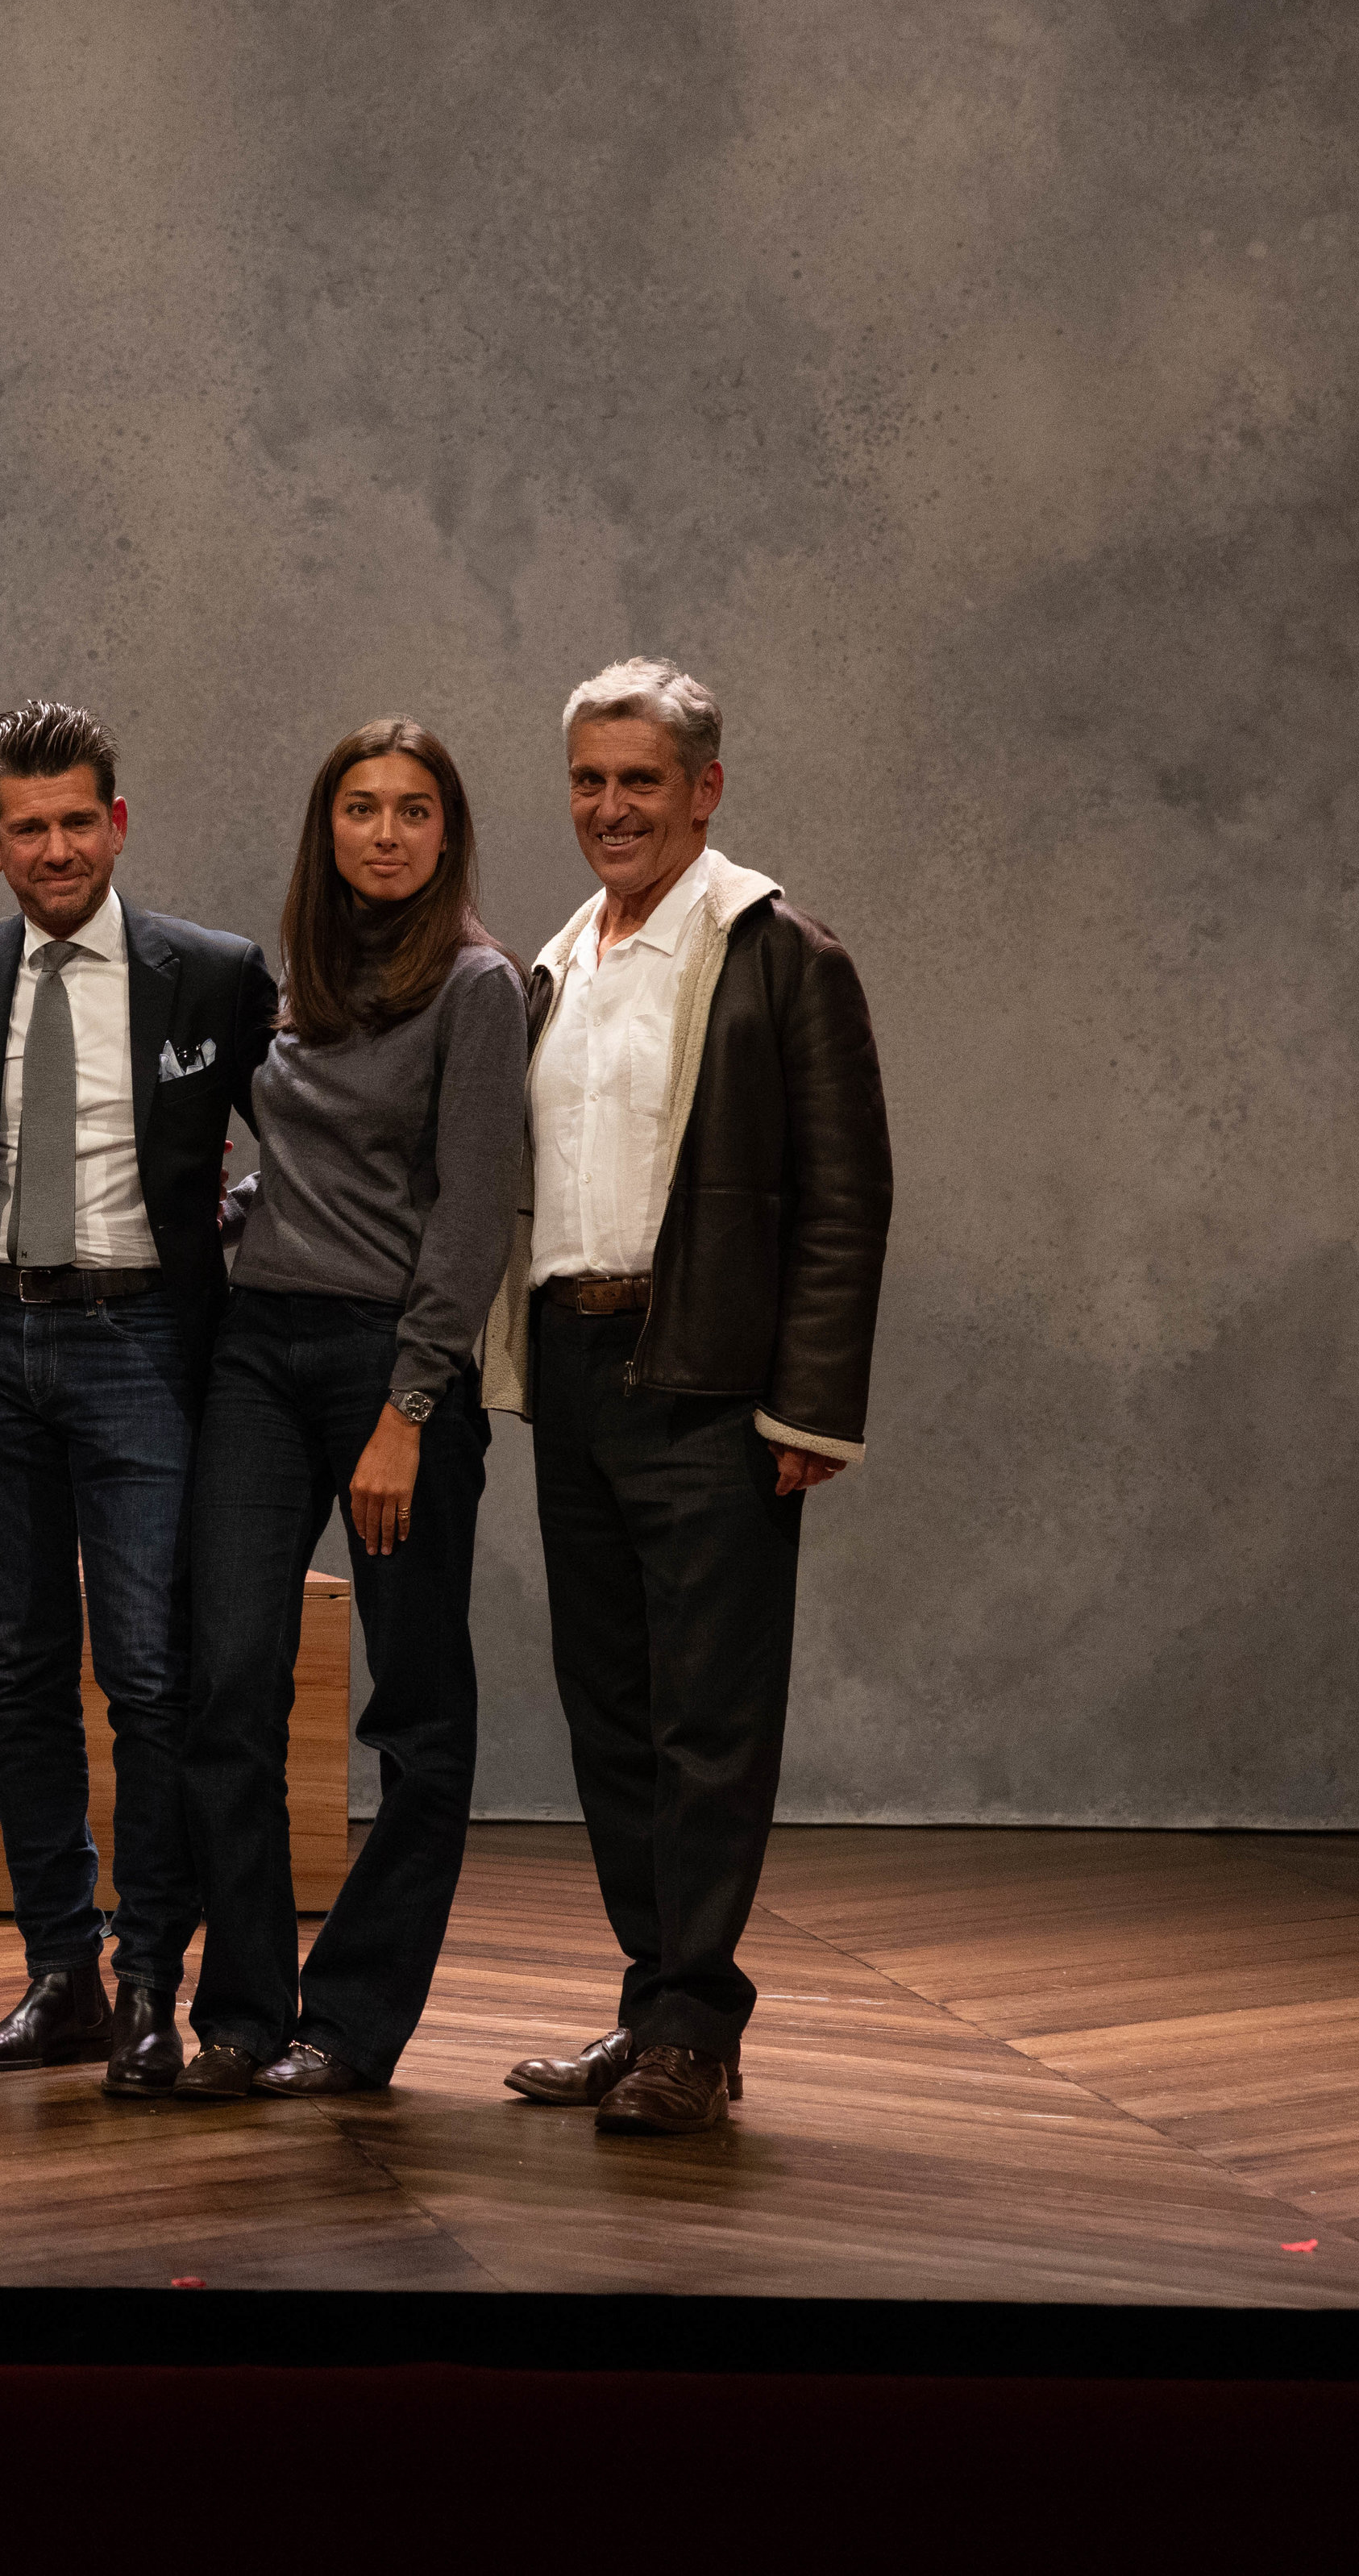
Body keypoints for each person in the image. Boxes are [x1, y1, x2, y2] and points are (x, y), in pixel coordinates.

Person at [484, 658, 891, 2136]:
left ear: (705, 790)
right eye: (591, 780)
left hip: (713, 1383)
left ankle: (699, 2033)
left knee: (709, 1719)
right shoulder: (558, 964)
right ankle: (649, 2002)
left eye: (641, 781)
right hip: (582, 1376)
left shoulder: (780, 953)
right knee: (611, 1708)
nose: (611, 808)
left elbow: (847, 1201)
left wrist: (807, 1410)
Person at [0, 701, 272, 2091]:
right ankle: (56, 1973)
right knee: (17, 1678)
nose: (56, 849)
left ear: (115, 823)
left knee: (150, 1678)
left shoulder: (214, 974)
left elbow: (307, 1136)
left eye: (78, 822)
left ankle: (146, 1989)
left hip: (142, 1347)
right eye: (28, 829)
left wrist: (237, 1219)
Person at [170, 719, 526, 2100]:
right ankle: (244, 2014)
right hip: (260, 1355)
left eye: (414, 811)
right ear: (329, 830)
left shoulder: (479, 987)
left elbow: (469, 1211)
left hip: (397, 1366)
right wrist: (236, 1214)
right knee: (230, 1682)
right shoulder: (298, 986)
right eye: (361, 810)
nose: (386, 833)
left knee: (418, 1713)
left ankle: (351, 2024)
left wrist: (413, 1406)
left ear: (449, 834)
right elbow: (322, 1179)